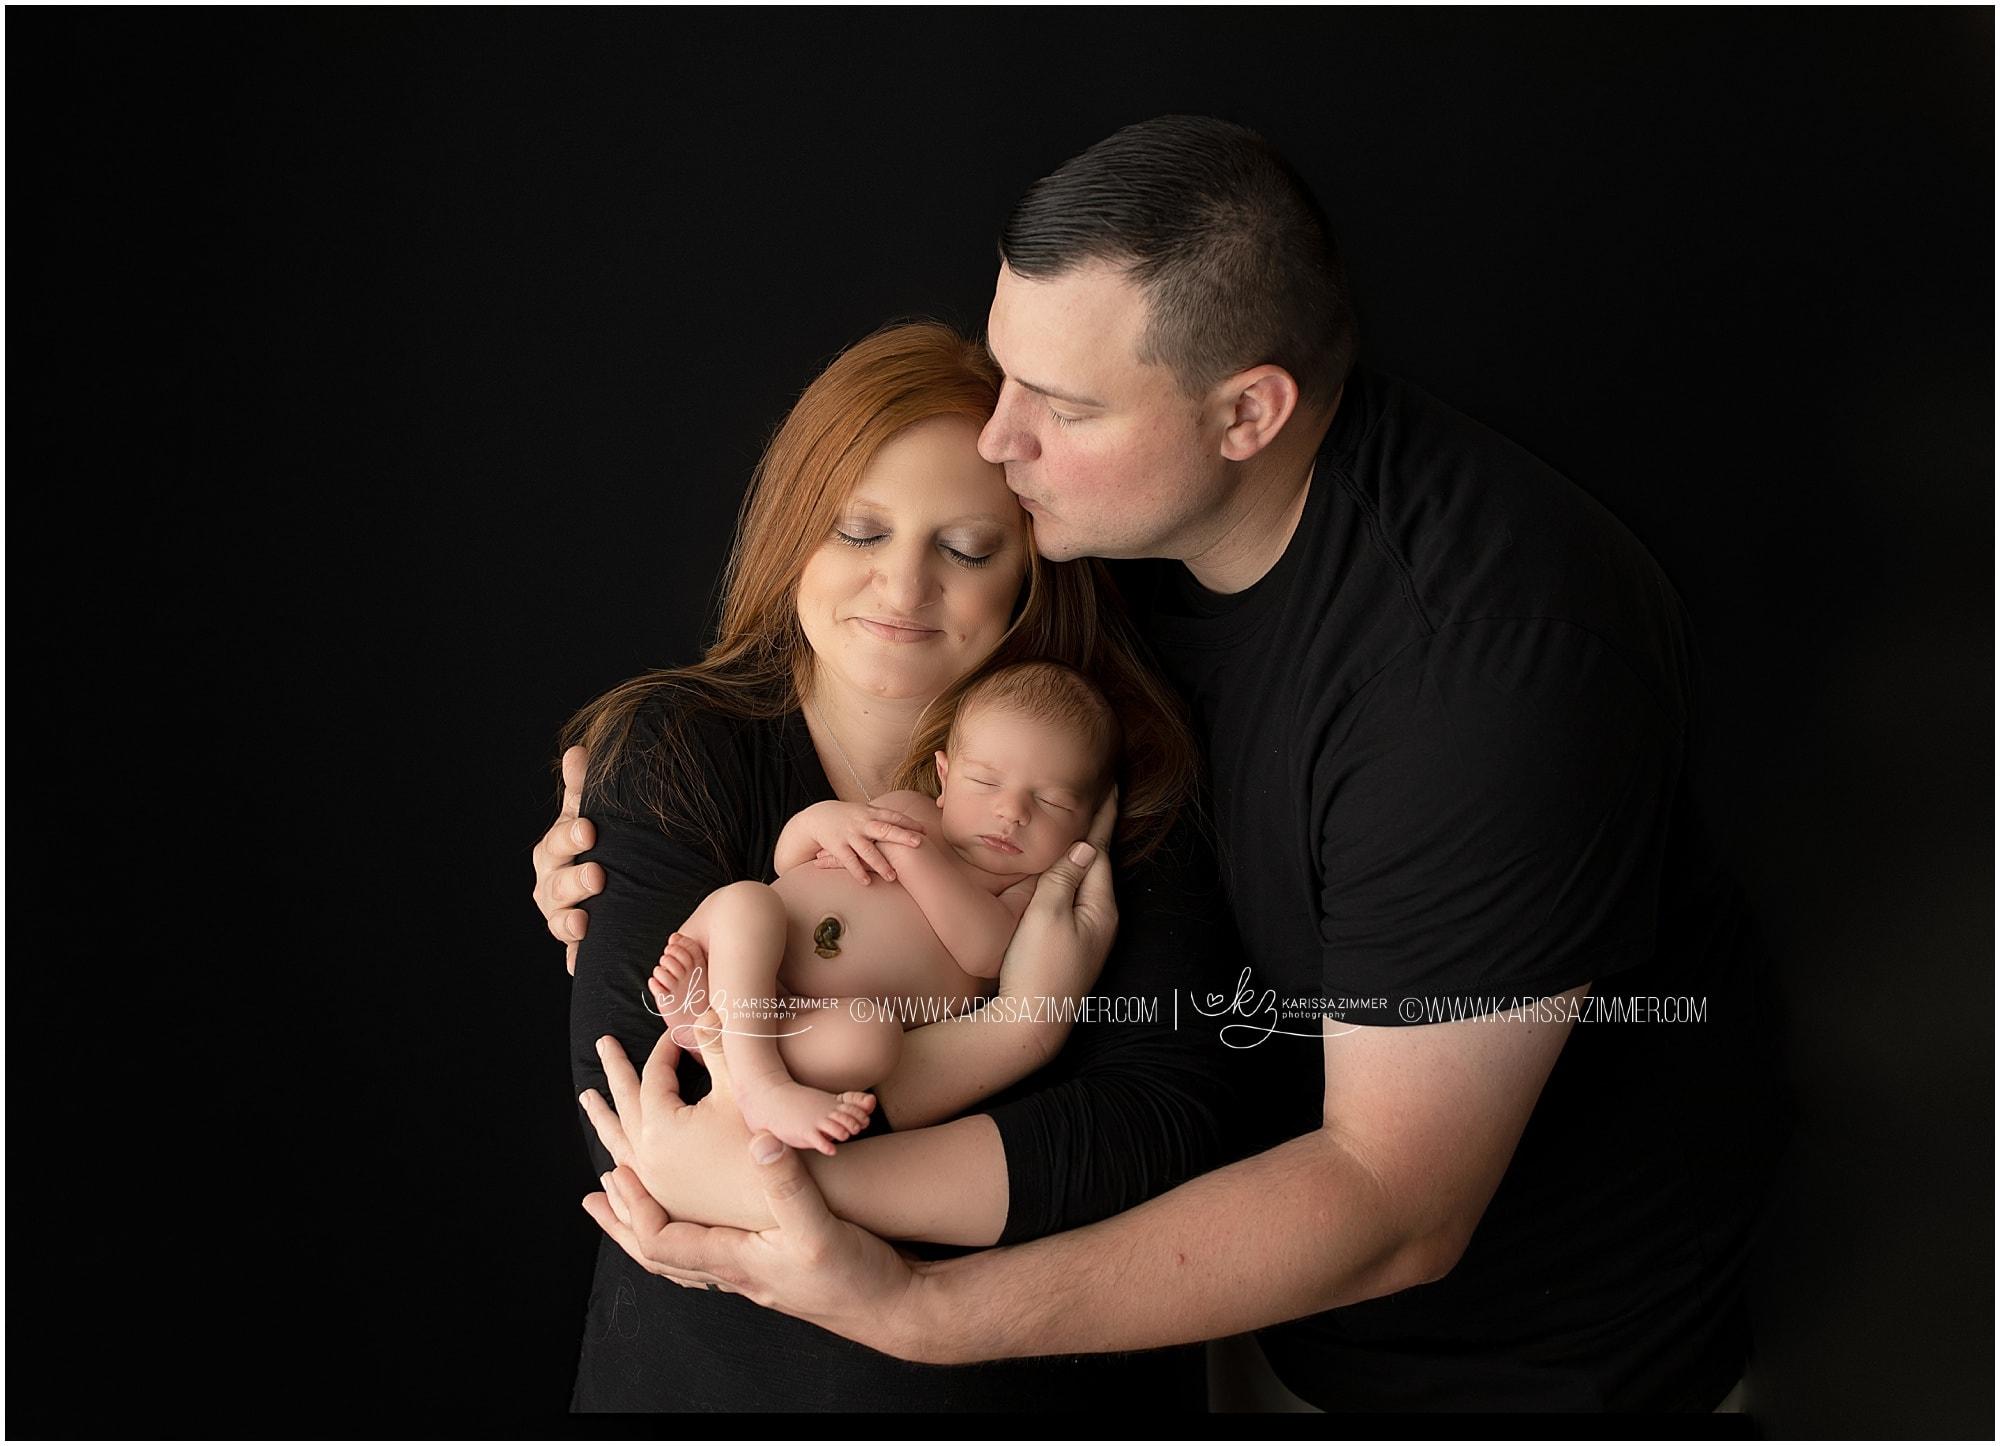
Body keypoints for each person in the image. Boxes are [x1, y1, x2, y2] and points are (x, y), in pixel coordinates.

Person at [548, 116, 1788, 1412]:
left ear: (1249, 410)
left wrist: (902, 1289)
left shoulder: (1482, 668)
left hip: (1526, 1374)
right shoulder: (1119, 564)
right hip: (1240, 1325)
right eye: (1008, 373)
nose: (997, 440)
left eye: (1061, 406)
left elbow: (1383, 1198)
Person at [552, 317, 1237, 1412]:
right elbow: (632, 1096)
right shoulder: (680, 746)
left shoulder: (1104, 773)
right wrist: (1009, 1037)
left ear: (1031, 565)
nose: (901, 588)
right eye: (857, 532)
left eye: (964, 550)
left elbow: (1152, 1130)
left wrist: (794, 1179)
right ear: (791, 534)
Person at [646, 660, 1122, 1155]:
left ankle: (723, 1042)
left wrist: (909, 854)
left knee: (873, 1041)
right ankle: (756, 1080)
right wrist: (820, 821)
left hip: (807, 1023)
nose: (1012, 812)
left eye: (1052, 803)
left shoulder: (1029, 891)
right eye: (985, 782)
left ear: (1086, 822)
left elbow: (986, 953)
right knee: (748, 902)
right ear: (944, 777)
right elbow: (789, 863)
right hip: (748, 954)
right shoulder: (907, 809)